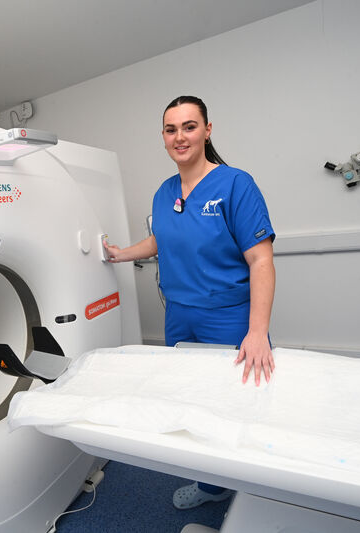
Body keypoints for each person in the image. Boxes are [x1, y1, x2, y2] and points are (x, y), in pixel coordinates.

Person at [104, 95, 276, 509]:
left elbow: (261, 259)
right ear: (163, 137)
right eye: (170, 129)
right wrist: (120, 254)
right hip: (179, 313)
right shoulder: (165, 192)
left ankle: (250, 480)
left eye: (189, 126)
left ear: (207, 130)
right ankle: (213, 486)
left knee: (231, 401)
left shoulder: (236, 184)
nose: (179, 136)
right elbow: (164, 238)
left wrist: (257, 332)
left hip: (228, 316)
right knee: (192, 399)